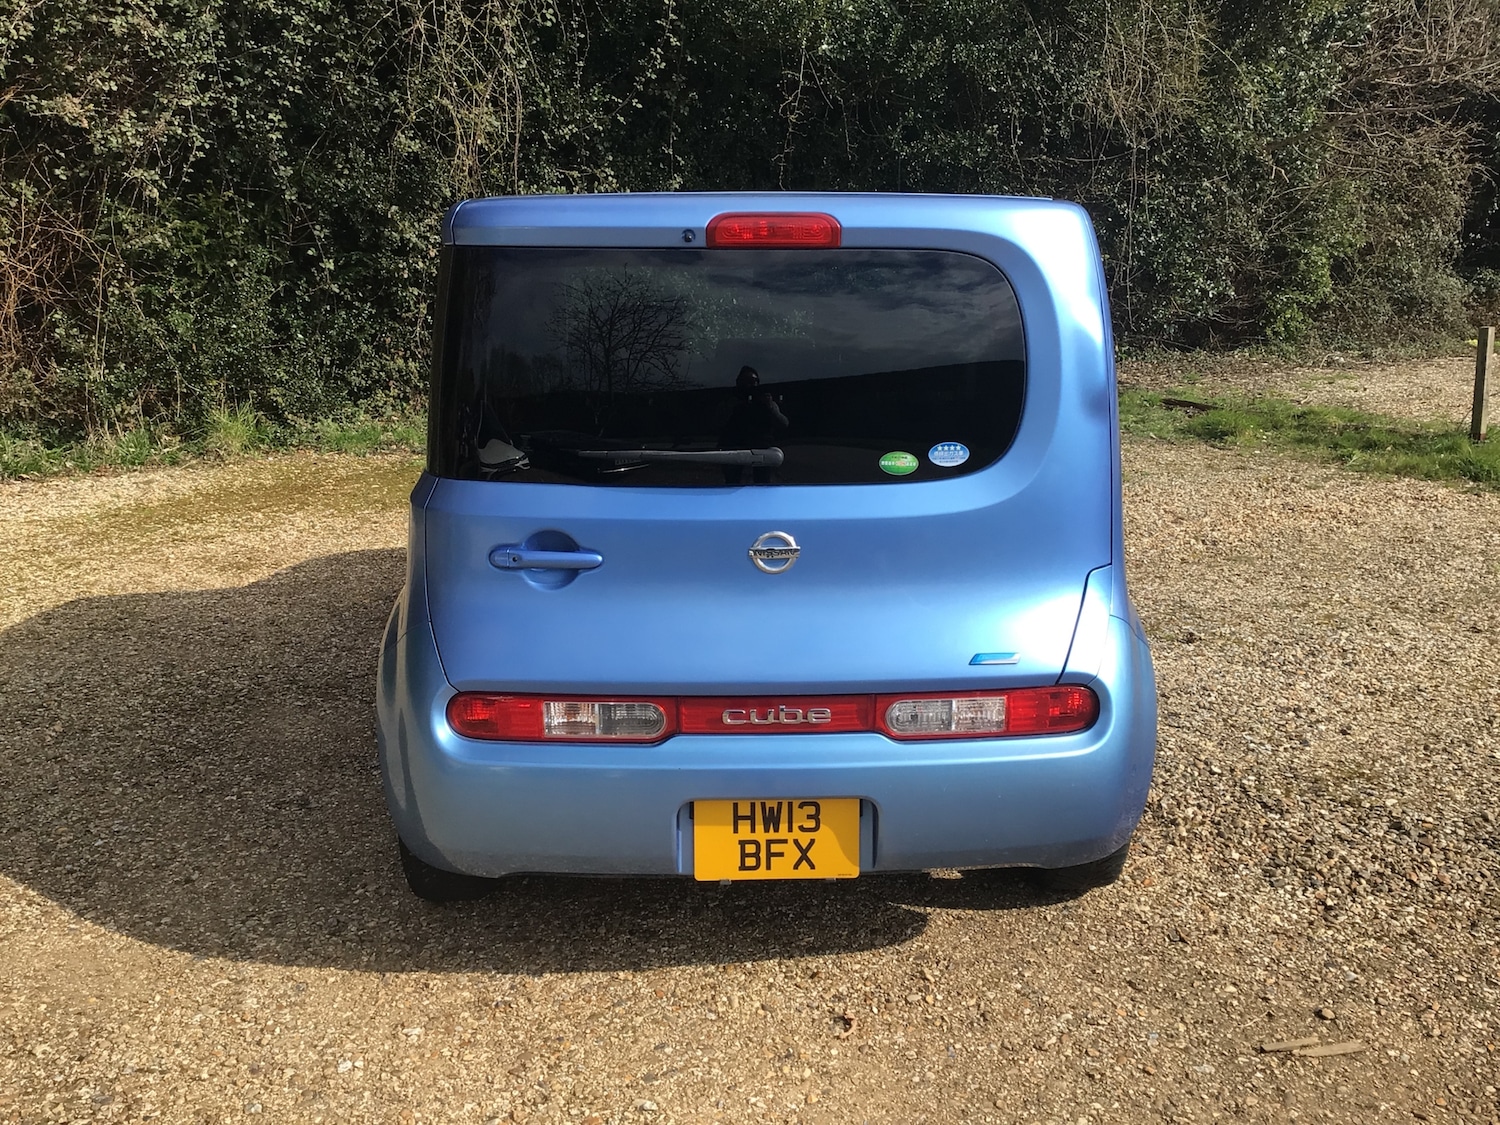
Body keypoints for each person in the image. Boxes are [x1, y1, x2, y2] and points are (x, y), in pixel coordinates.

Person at [720, 365, 789, 483]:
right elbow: (717, 423)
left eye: (755, 381)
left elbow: (784, 424)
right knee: (731, 485)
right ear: (738, 383)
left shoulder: (766, 403)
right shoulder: (730, 401)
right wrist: (733, 407)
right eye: (746, 381)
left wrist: (770, 407)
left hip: (763, 454)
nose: (751, 385)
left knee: (762, 487)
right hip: (734, 452)